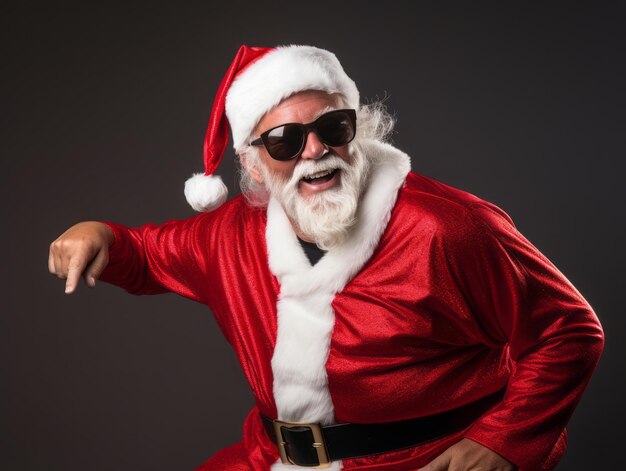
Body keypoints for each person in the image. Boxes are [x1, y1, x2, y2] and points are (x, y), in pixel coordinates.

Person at [48, 45, 604, 471]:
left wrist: (501, 442)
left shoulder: (448, 228)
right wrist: (97, 233)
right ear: (255, 163)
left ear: (355, 130)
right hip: (269, 456)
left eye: (332, 128)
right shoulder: (229, 234)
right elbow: (145, 254)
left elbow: (569, 330)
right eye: (286, 141)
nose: (315, 152)